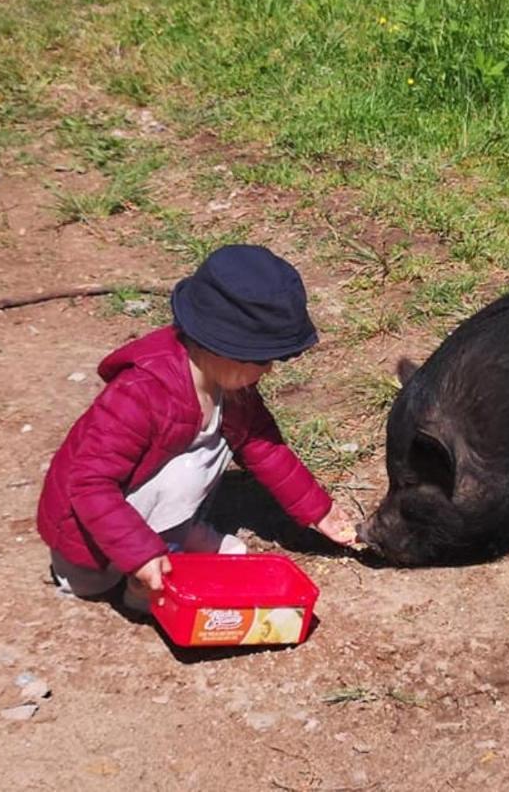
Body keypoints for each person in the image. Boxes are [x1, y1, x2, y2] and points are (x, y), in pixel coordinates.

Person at [36, 244, 357, 611]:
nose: (268, 369)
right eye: (262, 358)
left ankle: (175, 534)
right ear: (222, 347)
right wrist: (139, 554)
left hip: (144, 502)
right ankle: (148, 560)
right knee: (92, 582)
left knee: (214, 449)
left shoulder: (233, 388)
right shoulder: (141, 392)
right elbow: (88, 482)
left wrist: (318, 510)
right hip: (87, 533)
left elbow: (265, 447)